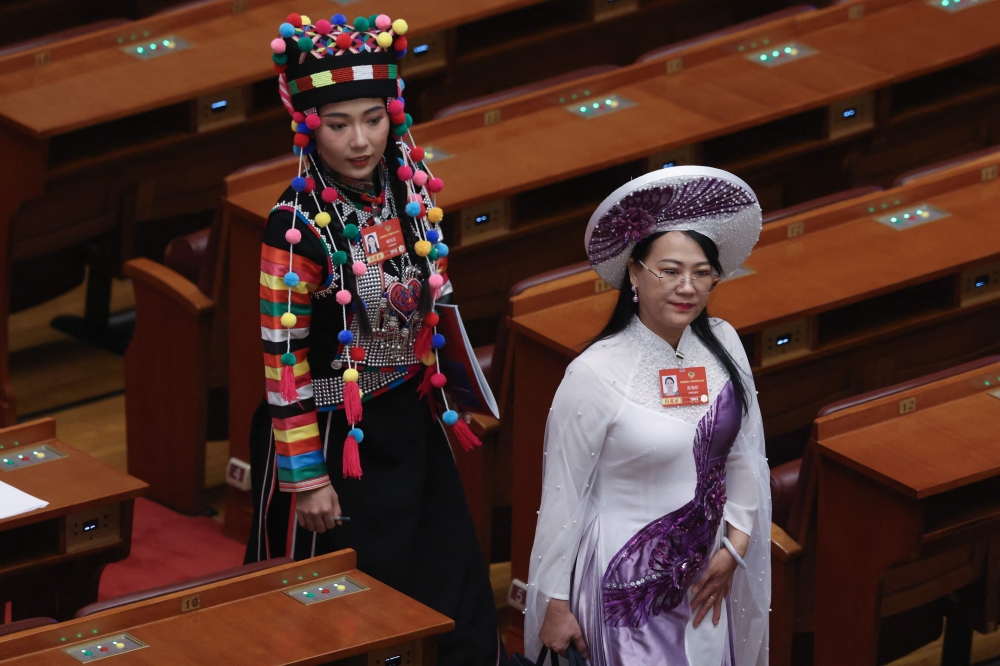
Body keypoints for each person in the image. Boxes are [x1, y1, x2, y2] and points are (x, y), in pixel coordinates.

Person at [245, 12, 505, 665]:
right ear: (308, 126)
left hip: (412, 418)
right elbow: (282, 355)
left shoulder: (408, 187)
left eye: (373, 119)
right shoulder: (296, 224)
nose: (359, 140)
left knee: (450, 579)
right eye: (338, 125)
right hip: (334, 434)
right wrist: (306, 479)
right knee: (338, 610)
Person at [524, 167, 771, 665]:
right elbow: (562, 495)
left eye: (702, 273)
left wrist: (734, 548)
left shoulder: (723, 342)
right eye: (670, 270)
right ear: (634, 272)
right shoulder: (594, 372)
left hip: (707, 575)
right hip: (626, 578)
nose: (688, 288)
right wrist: (554, 602)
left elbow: (746, 456)